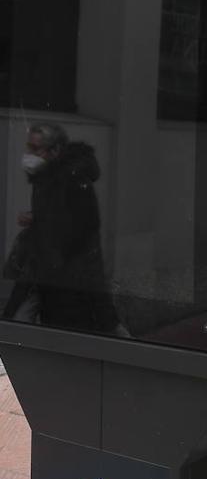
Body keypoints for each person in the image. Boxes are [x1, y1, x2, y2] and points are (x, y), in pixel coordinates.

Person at [2, 123, 121, 333]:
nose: (29, 154)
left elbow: (82, 230)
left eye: (35, 149)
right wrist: (37, 220)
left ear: (55, 151)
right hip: (46, 273)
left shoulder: (71, 179)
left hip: (63, 280)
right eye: (28, 147)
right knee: (16, 327)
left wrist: (43, 229)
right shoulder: (46, 177)